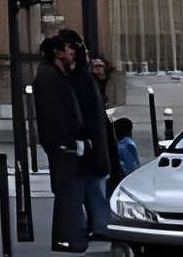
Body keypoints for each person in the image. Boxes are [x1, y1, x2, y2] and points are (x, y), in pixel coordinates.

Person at [33, 31, 108, 252]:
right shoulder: (51, 77)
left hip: (72, 144)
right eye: (67, 49)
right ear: (58, 53)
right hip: (67, 145)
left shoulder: (60, 75)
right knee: (71, 193)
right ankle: (71, 238)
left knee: (77, 191)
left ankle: (77, 236)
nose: (70, 52)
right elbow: (57, 113)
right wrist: (72, 139)